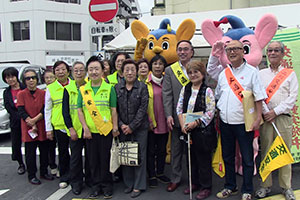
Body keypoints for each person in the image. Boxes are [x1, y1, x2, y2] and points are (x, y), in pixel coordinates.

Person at [213, 40, 266, 200]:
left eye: (235, 49)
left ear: (243, 51)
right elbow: (218, 95)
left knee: (247, 158)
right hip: (225, 122)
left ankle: (247, 189)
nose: (232, 52)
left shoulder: (252, 72)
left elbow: (259, 97)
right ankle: (230, 186)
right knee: (228, 156)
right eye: (228, 50)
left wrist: (258, 118)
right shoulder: (223, 74)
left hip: (244, 123)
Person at [255, 41, 299, 200]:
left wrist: (275, 111)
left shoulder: (290, 74)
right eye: (270, 51)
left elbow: (292, 97)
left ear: (282, 54)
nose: (272, 53)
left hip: (283, 119)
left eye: (276, 51)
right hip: (266, 119)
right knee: (266, 152)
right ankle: (264, 185)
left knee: (284, 152)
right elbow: (258, 94)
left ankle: (286, 187)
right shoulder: (261, 74)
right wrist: (267, 112)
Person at [77, 56, 119, 199]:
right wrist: (85, 128)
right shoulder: (83, 90)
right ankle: (95, 186)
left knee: (105, 159)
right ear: (87, 72)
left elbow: (113, 110)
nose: (94, 72)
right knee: (92, 161)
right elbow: (79, 111)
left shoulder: (109, 89)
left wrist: (115, 127)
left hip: (106, 130)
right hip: (90, 133)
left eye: (96, 69)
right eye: (91, 69)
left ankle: (107, 186)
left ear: (102, 71)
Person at [177, 60, 216, 200]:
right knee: (190, 158)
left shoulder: (207, 90)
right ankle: (194, 183)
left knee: (203, 159)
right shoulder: (185, 89)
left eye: (196, 72)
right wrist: (182, 124)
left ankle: (206, 186)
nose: (193, 75)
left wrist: (196, 122)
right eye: (190, 72)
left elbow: (211, 111)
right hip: (187, 129)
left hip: (202, 131)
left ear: (202, 73)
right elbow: (179, 107)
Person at [162, 40, 194, 192]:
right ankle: (175, 178)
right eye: (180, 49)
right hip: (176, 117)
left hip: (194, 116)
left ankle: (194, 179)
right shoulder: (170, 70)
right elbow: (167, 94)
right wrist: (169, 115)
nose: (182, 52)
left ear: (191, 51)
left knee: (193, 151)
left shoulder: (198, 67)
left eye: (186, 49)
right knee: (176, 150)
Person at [115, 59, 149, 198]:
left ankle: (139, 185)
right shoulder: (116, 88)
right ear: (122, 73)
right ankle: (129, 183)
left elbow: (143, 109)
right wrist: (121, 124)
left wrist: (132, 126)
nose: (130, 73)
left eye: (132, 70)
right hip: (123, 127)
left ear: (136, 72)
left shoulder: (142, 87)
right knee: (126, 156)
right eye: (127, 70)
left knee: (140, 155)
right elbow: (114, 109)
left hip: (140, 128)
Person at [17, 69, 54, 185]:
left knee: (44, 151)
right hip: (28, 128)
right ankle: (31, 175)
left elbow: (45, 109)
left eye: (33, 77)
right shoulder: (21, 94)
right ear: (24, 81)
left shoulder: (43, 93)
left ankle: (44, 172)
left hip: (41, 125)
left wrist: (35, 120)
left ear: (37, 80)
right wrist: (31, 122)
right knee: (30, 153)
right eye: (28, 78)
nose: (31, 80)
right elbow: (21, 111)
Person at [62, 61, 91, 195]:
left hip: (90, 129)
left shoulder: (90, 87)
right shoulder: (68, 90)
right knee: (75, 158)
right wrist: (70, 129)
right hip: (75, 130)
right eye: (76, 71)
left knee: (91, 157)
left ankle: (90, 180)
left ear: (85, 72)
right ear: (72, 73)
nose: (79, 73)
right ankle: (76, 183)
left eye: (81, 70)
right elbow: (65, 112)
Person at [45, 60, 73, 189]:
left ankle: (76, 174)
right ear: (54, 73)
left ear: (68, 71)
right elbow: (47, 109)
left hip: (74, 125)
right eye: (57, 70)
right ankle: (64, 176)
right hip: (59, 125)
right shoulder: (50, 88)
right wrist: (48, 129)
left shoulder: (74, 85)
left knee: (76, 151)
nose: (61, 72)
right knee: (63, 152)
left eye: (63, 69)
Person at [145, 55, 170, 188]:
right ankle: (152, 175)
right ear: (151, 66)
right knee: (150, 151)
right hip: (150, 123)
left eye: (160, 64)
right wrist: (147, 120)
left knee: (162, 150)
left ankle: (160, 172)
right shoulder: (145, 82)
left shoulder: (167, 81)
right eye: (155, 64)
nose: (158, 66)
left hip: (164, 122)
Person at [2, 67, 26, 175]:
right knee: (16, 144)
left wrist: (26, 117)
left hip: (28, 120)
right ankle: (20, 163)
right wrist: (19, 116)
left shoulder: (24, 88)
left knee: (33, 143)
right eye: (8, 78)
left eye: (12, 76)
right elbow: (8, 107)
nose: (10, 79)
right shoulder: (6, 92)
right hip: (16, 121)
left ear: (16, 77)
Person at [42, 69, 58, 176]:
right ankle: (52, 165)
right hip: (50, 122)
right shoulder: (43, 91)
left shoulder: (60, 88)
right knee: (51, 146)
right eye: (47, 78)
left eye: (51, 77)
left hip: (60, 122)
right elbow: (45, 109)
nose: (49, 80)